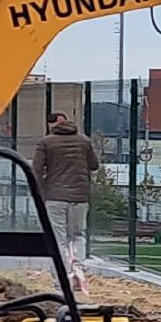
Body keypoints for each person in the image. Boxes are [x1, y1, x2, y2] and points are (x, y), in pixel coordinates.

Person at [32, 111, 99, 293]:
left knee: (58, 239)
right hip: (80, 197)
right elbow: (94, 165)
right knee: (77, 236)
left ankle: (63, 279)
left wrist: (40, 191)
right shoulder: (84, 141)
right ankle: (79, 274)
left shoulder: (46, 142)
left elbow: (36, 170)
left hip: (55, 197)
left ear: (50, 125)